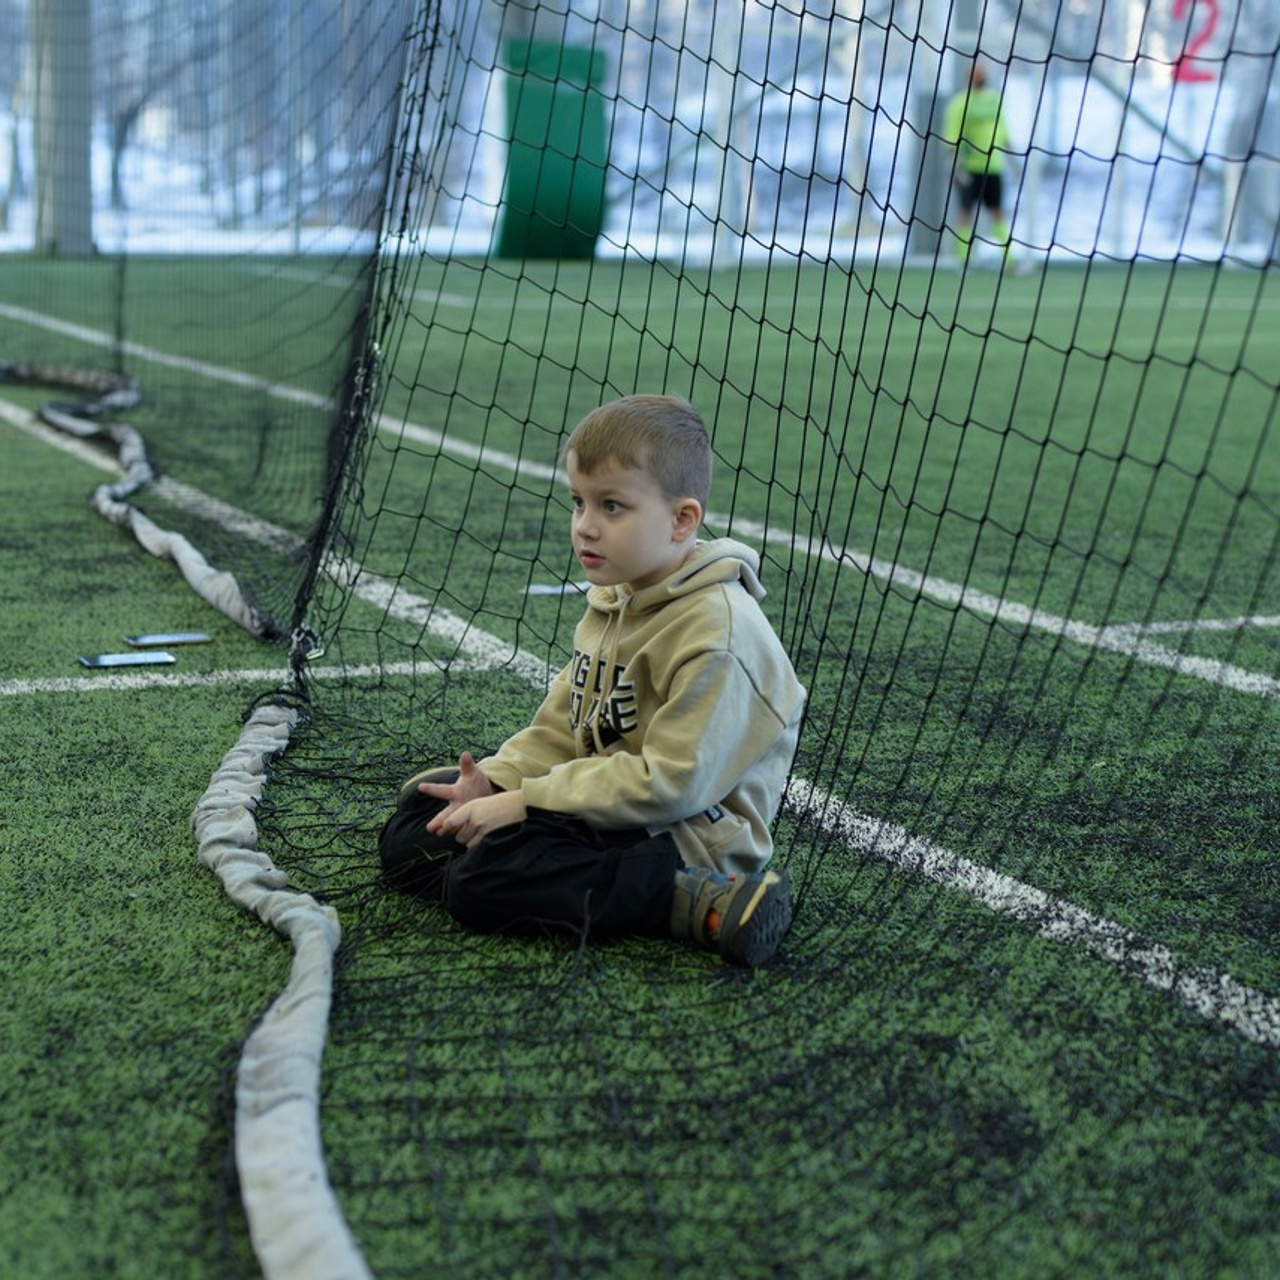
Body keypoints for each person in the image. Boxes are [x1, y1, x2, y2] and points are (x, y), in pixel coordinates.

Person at [378, 394, 806, 967]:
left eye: (612, 507)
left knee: (483, 880)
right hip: (602, 807)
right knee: (412, 830)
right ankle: (528, 866)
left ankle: (701, 902)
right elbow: (562, 729)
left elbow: (670, 785)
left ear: (682, 520)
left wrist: (526, 805)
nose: (586, 527)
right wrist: (497, 783)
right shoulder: (617, 598)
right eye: (578, 503)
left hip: (686, 837)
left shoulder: (719, 634)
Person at [942, 61, 1013, 268]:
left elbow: (1004, 131)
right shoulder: (959, 104)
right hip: (969, 169)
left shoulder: (995, 100)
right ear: (968, 76)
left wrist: (1014, 164)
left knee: (998, 212)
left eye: (982, 71)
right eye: (975, 72)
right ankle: (964, 261)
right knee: (965, 213)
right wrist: (955, 167)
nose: (980, 75)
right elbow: (951, 139)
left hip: (993, 168)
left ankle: (1009, 262)